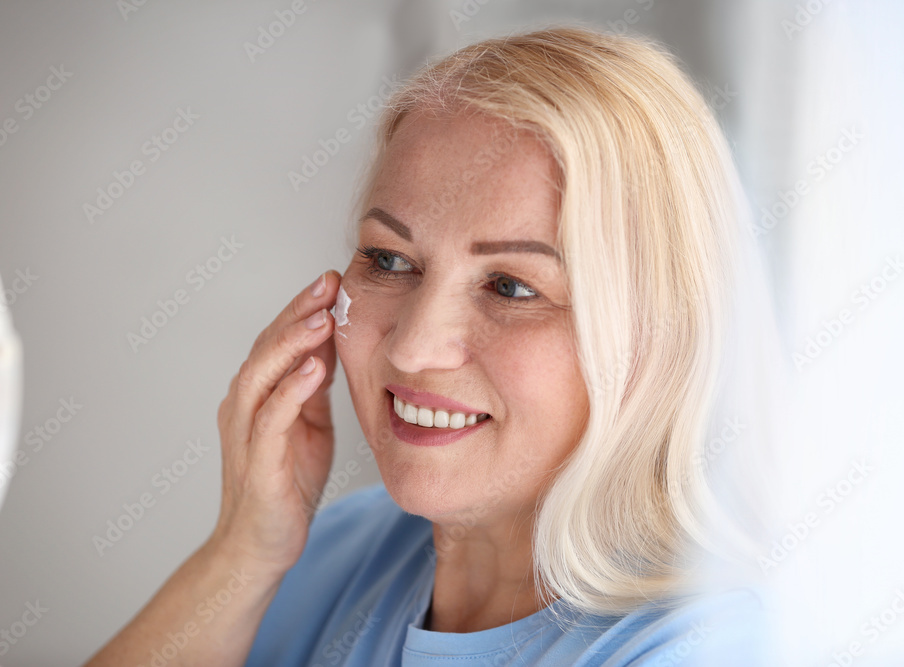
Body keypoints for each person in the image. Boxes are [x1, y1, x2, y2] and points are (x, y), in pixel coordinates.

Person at [84, 25, 777, 666]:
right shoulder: (335, 546)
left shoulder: (704, 646)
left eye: (509, 286)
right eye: (389, 260)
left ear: (661, 332)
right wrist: (243, 550)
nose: (413, 348)